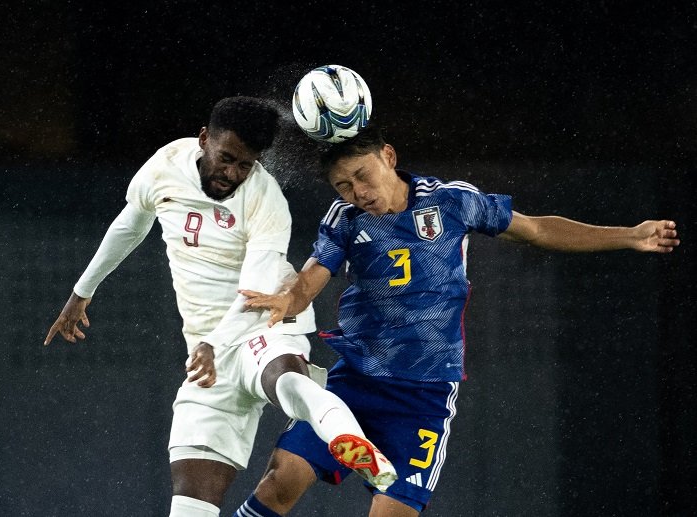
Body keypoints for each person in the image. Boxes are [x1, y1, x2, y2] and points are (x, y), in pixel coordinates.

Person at [234, 123, 681, 517]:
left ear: (388, 157)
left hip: (423, 397)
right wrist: (287, 301)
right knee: (279, 483)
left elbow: (538, 230)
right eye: (343, 186)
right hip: (355, 383)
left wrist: (629, 235)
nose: (358, 193)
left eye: (362, 176)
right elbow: (312, 278)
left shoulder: (451, 202)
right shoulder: (346, 220)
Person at [43, 97, 396, 517]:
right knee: (190, 506)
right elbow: (131, 222)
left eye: (246, 165)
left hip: (262, 321)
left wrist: (213, 343)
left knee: (283, 380)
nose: (232, 174)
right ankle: (335, 424)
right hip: (205, 350)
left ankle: (347, 437)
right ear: (204, 138)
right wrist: (82, 292)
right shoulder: (165, 165)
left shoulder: (265, 199)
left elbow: (254, 289)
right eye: (226, 159)